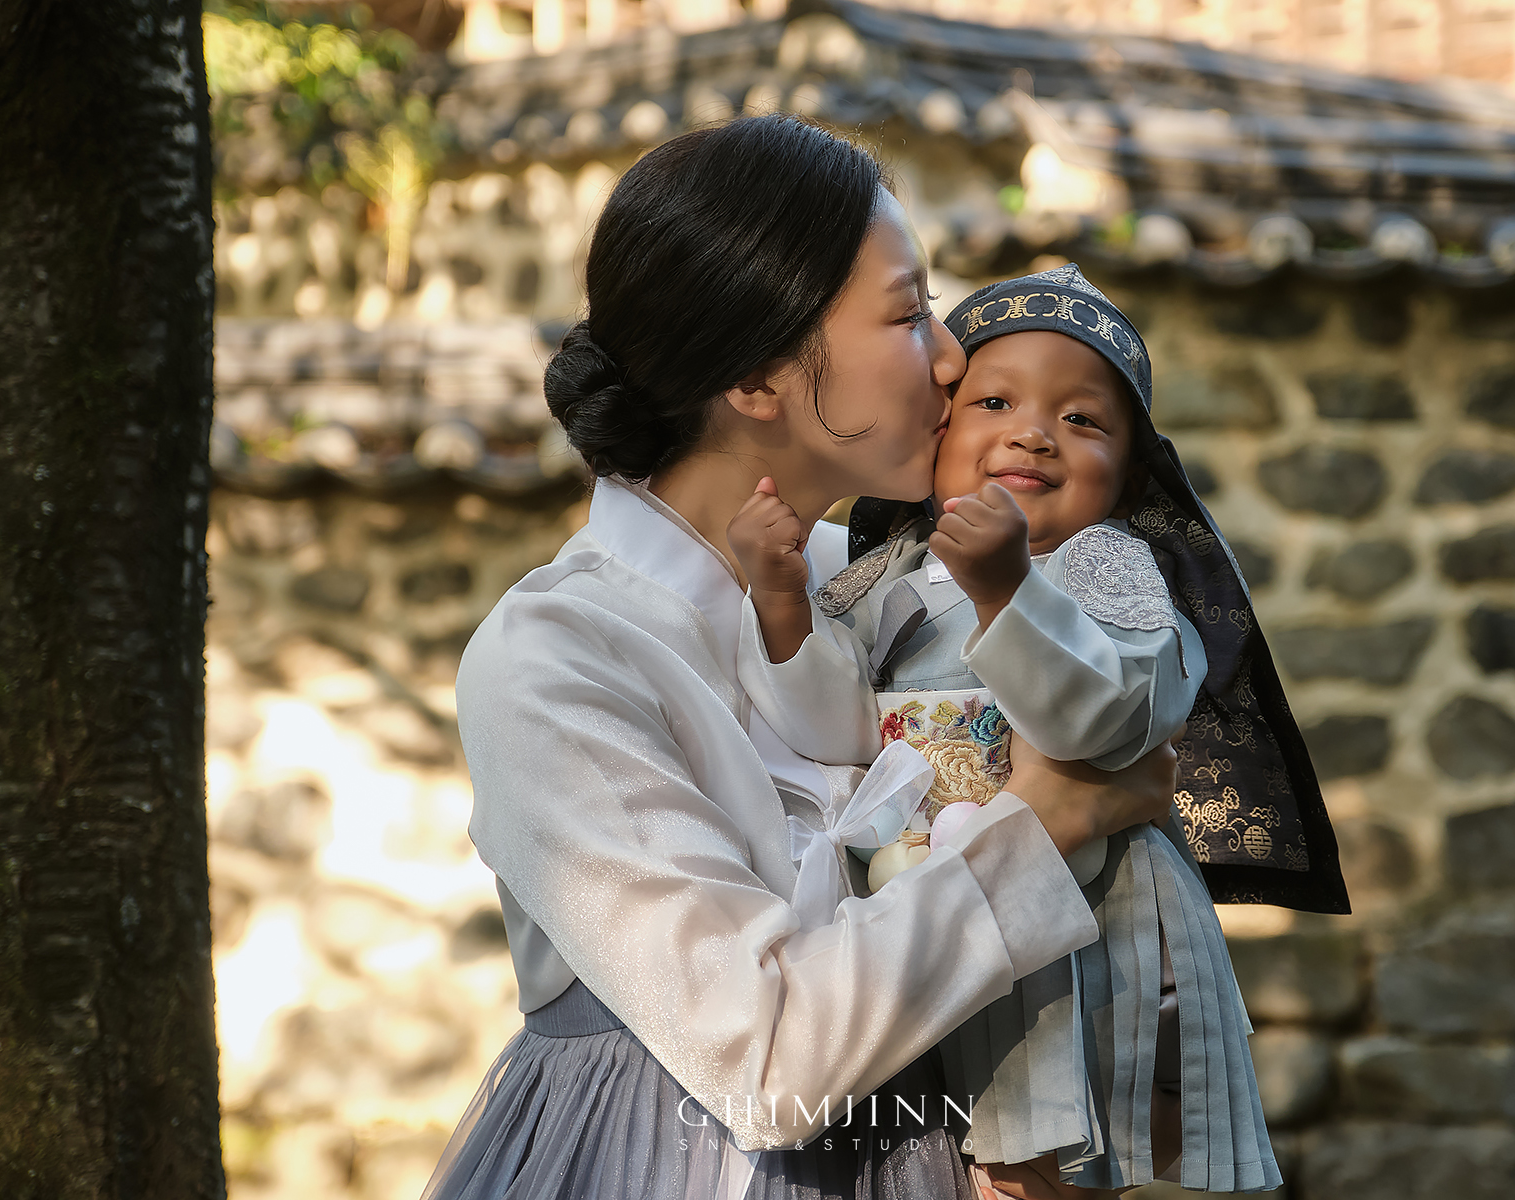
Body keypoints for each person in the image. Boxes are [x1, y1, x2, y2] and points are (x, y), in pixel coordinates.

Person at [423, 116, 1181, 1200]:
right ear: (756, 378)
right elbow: (766, 1059)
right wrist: (1050, 820)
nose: (953, 358)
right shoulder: (558, 659)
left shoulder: (893, 592)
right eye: (909, 314)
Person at [728, 263, 1284, 1193]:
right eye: (993, 402)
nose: (1033, 432)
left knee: (1053, 1160)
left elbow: (1108, 718)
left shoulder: (1106, 566)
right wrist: (782, 600)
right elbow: (833, 727)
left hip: (1088, 918)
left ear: (1128, 477)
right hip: (935, 909)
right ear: (939, 436)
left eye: (1083, 419)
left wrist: (1010, 592)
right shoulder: (887, 573)